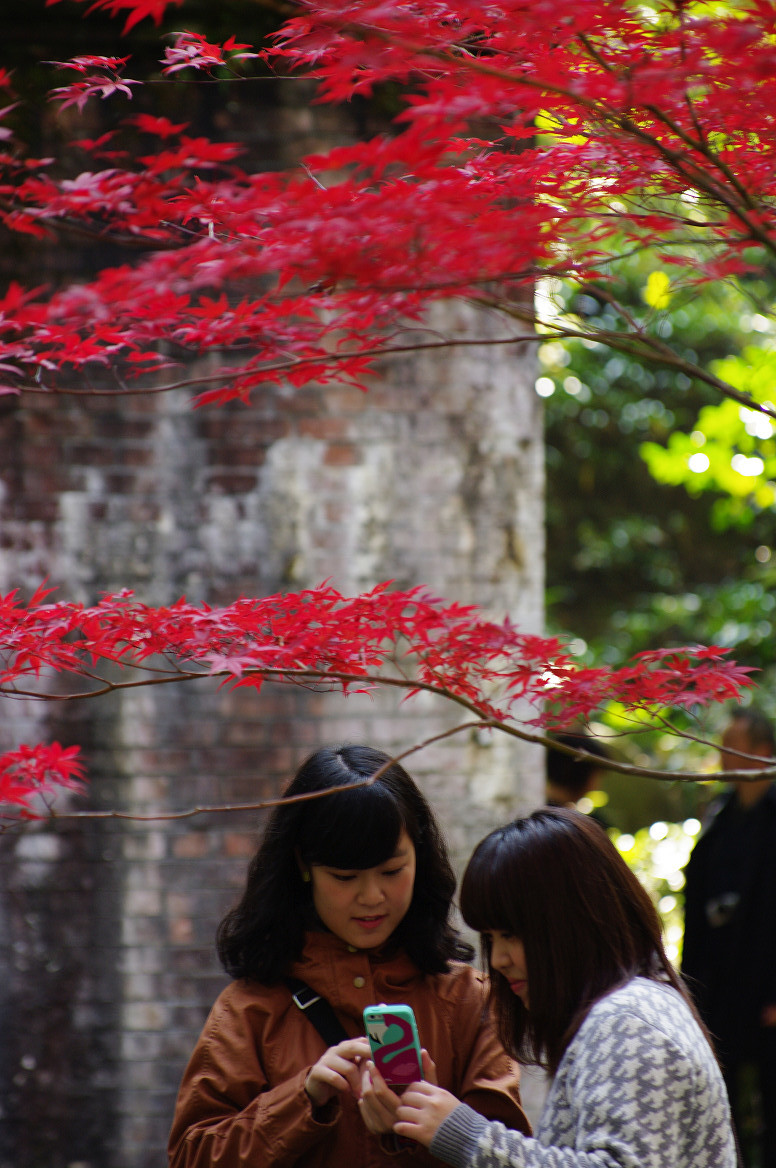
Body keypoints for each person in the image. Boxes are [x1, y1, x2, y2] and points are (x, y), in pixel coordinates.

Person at [168, 744, 529, 1168]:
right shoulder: (251, 1008)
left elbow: (513, 1157)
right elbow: (192, 1156)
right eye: (345, 877)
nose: (372, 897)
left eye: (392, 872)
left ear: (420, 853)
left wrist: (437, 1125)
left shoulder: (470, 1001)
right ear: (303, 865)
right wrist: (303, 1098)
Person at [369, 807, 736, 1168]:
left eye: (510, 934)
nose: (497, 959)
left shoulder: (627, 1023)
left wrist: (466, 1136)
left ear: (569, 922)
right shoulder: (633, 1008)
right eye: (491, 938)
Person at [681, 705, 776, 1168]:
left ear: (762, 752)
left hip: (768, 984)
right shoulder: (720, 815)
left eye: (732, 745)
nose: (722, 755)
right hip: (722, 982)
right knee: (724, 1102)